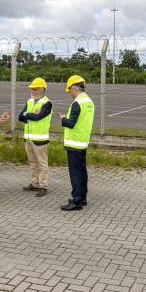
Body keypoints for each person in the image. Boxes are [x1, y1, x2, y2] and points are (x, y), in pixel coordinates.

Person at [60, 75, 94, 211]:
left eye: (70, 90)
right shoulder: (89, 101)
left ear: (74, 88)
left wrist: (63, 119)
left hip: (74, 143)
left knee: (75, 174)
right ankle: (82, 197)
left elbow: (71, 123)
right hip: (82, 141)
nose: (69, 93)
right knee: (82, 172)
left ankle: (76, 201)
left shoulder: (77, 103)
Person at [18, 77, 52, 196]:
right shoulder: (30, 101)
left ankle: (43, 186)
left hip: (40, 139)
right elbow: (20, 116)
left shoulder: (47, 103)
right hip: (28, 138)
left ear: (42, 89)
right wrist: (30, 114)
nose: (32, 91)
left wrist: (28, 114)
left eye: (35, 89)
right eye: (31, 89)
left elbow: (39, 117)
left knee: (42, 163)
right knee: (32, 163)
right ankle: (35, 183)